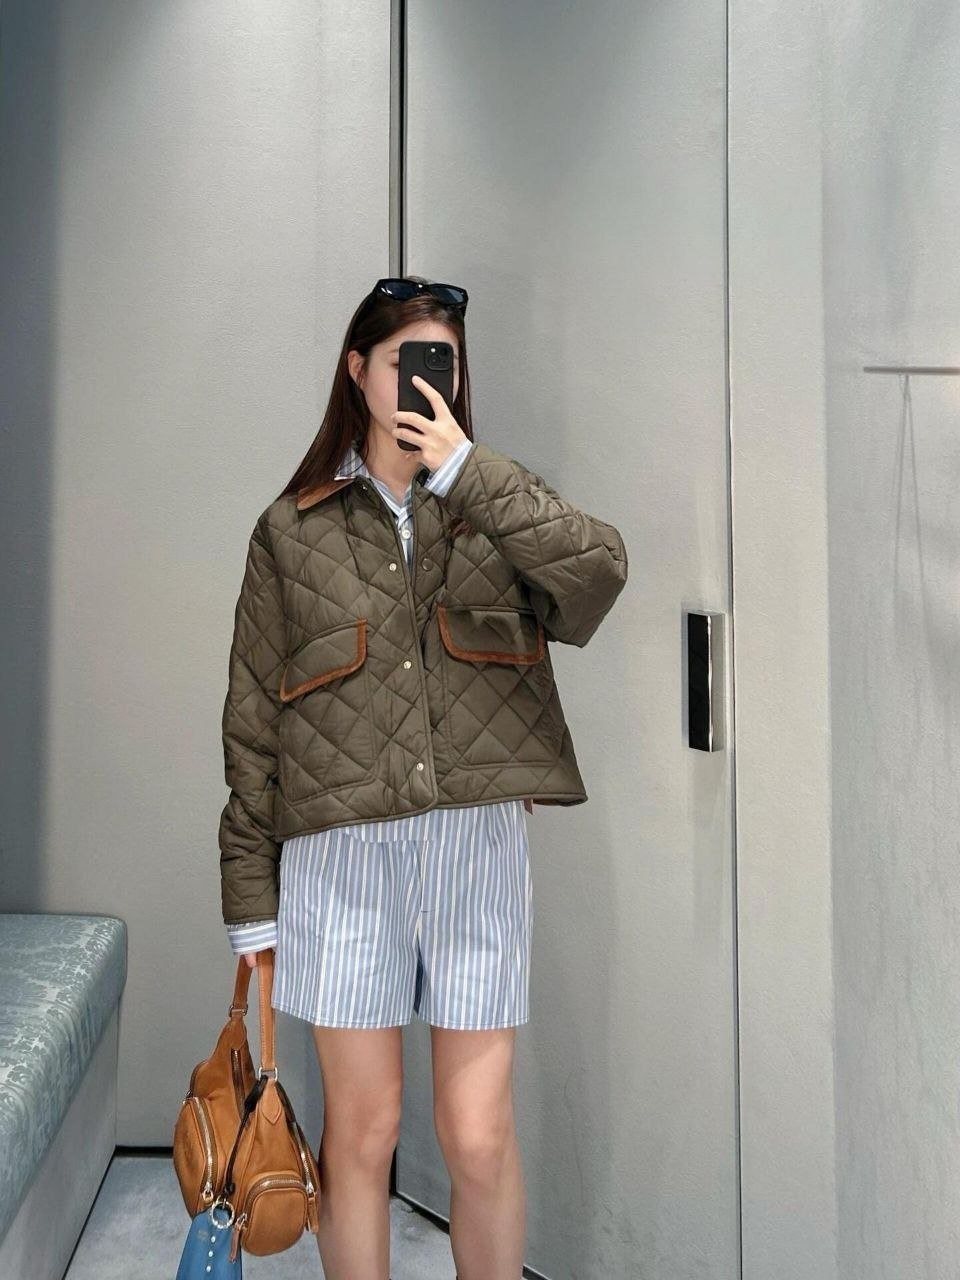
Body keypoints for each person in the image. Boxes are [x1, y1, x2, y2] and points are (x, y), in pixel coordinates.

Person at [217, 275, 628, 1280]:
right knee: (362, 1133)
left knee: (478, 1133)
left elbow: (599, 576)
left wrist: (467, 471)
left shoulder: (495, 504)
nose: (427, 381)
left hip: (473, 847)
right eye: (407, 361)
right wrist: (251, 904)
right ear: (358, 370)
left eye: (443, 362)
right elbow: (253, 728)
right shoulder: (291, 531)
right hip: (341, 858)